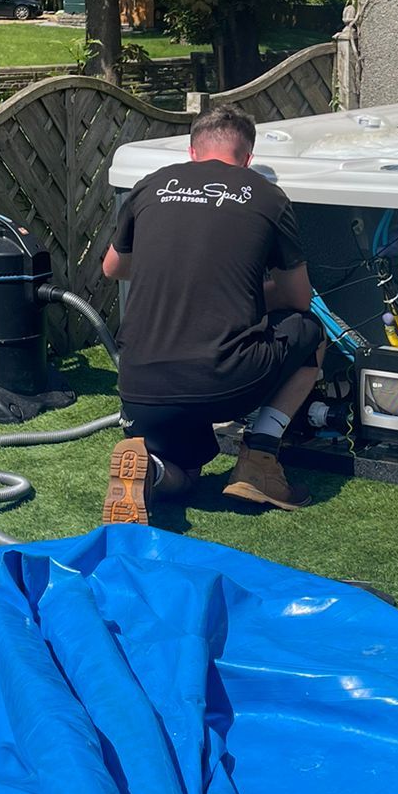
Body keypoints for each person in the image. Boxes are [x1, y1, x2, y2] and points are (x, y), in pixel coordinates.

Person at [99, 105, 325, 523]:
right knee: (310, 331)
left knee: (187, 473)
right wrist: (249, 293)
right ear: (249, 158)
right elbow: (298, 299)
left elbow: (113, 268)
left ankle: (152, 470)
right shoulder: (266, 196)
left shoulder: (150, 186)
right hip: (223, 381)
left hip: (141, 386)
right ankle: (259, 461)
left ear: (191, 151)